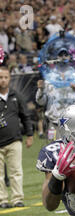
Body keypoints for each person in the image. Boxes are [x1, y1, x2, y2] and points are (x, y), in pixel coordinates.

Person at [36, 48, 75, 137]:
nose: (63, 57)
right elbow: (41, 102)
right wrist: (41, 90)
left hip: (74, 125)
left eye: (66, 55)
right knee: (54, 150)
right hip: (54, 125)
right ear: (56, 58)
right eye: (60, 55)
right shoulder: (49, 78)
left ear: (70, 57)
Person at [0, 66, 33, 208]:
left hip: (15, 140)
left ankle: (17, 199)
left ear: (10, 78)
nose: (3, 80)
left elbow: (25, 116)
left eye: (5, 77)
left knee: (16, 171)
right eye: (0, 77)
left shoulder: (15, 95)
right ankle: (2, 200)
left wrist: (30, 134)